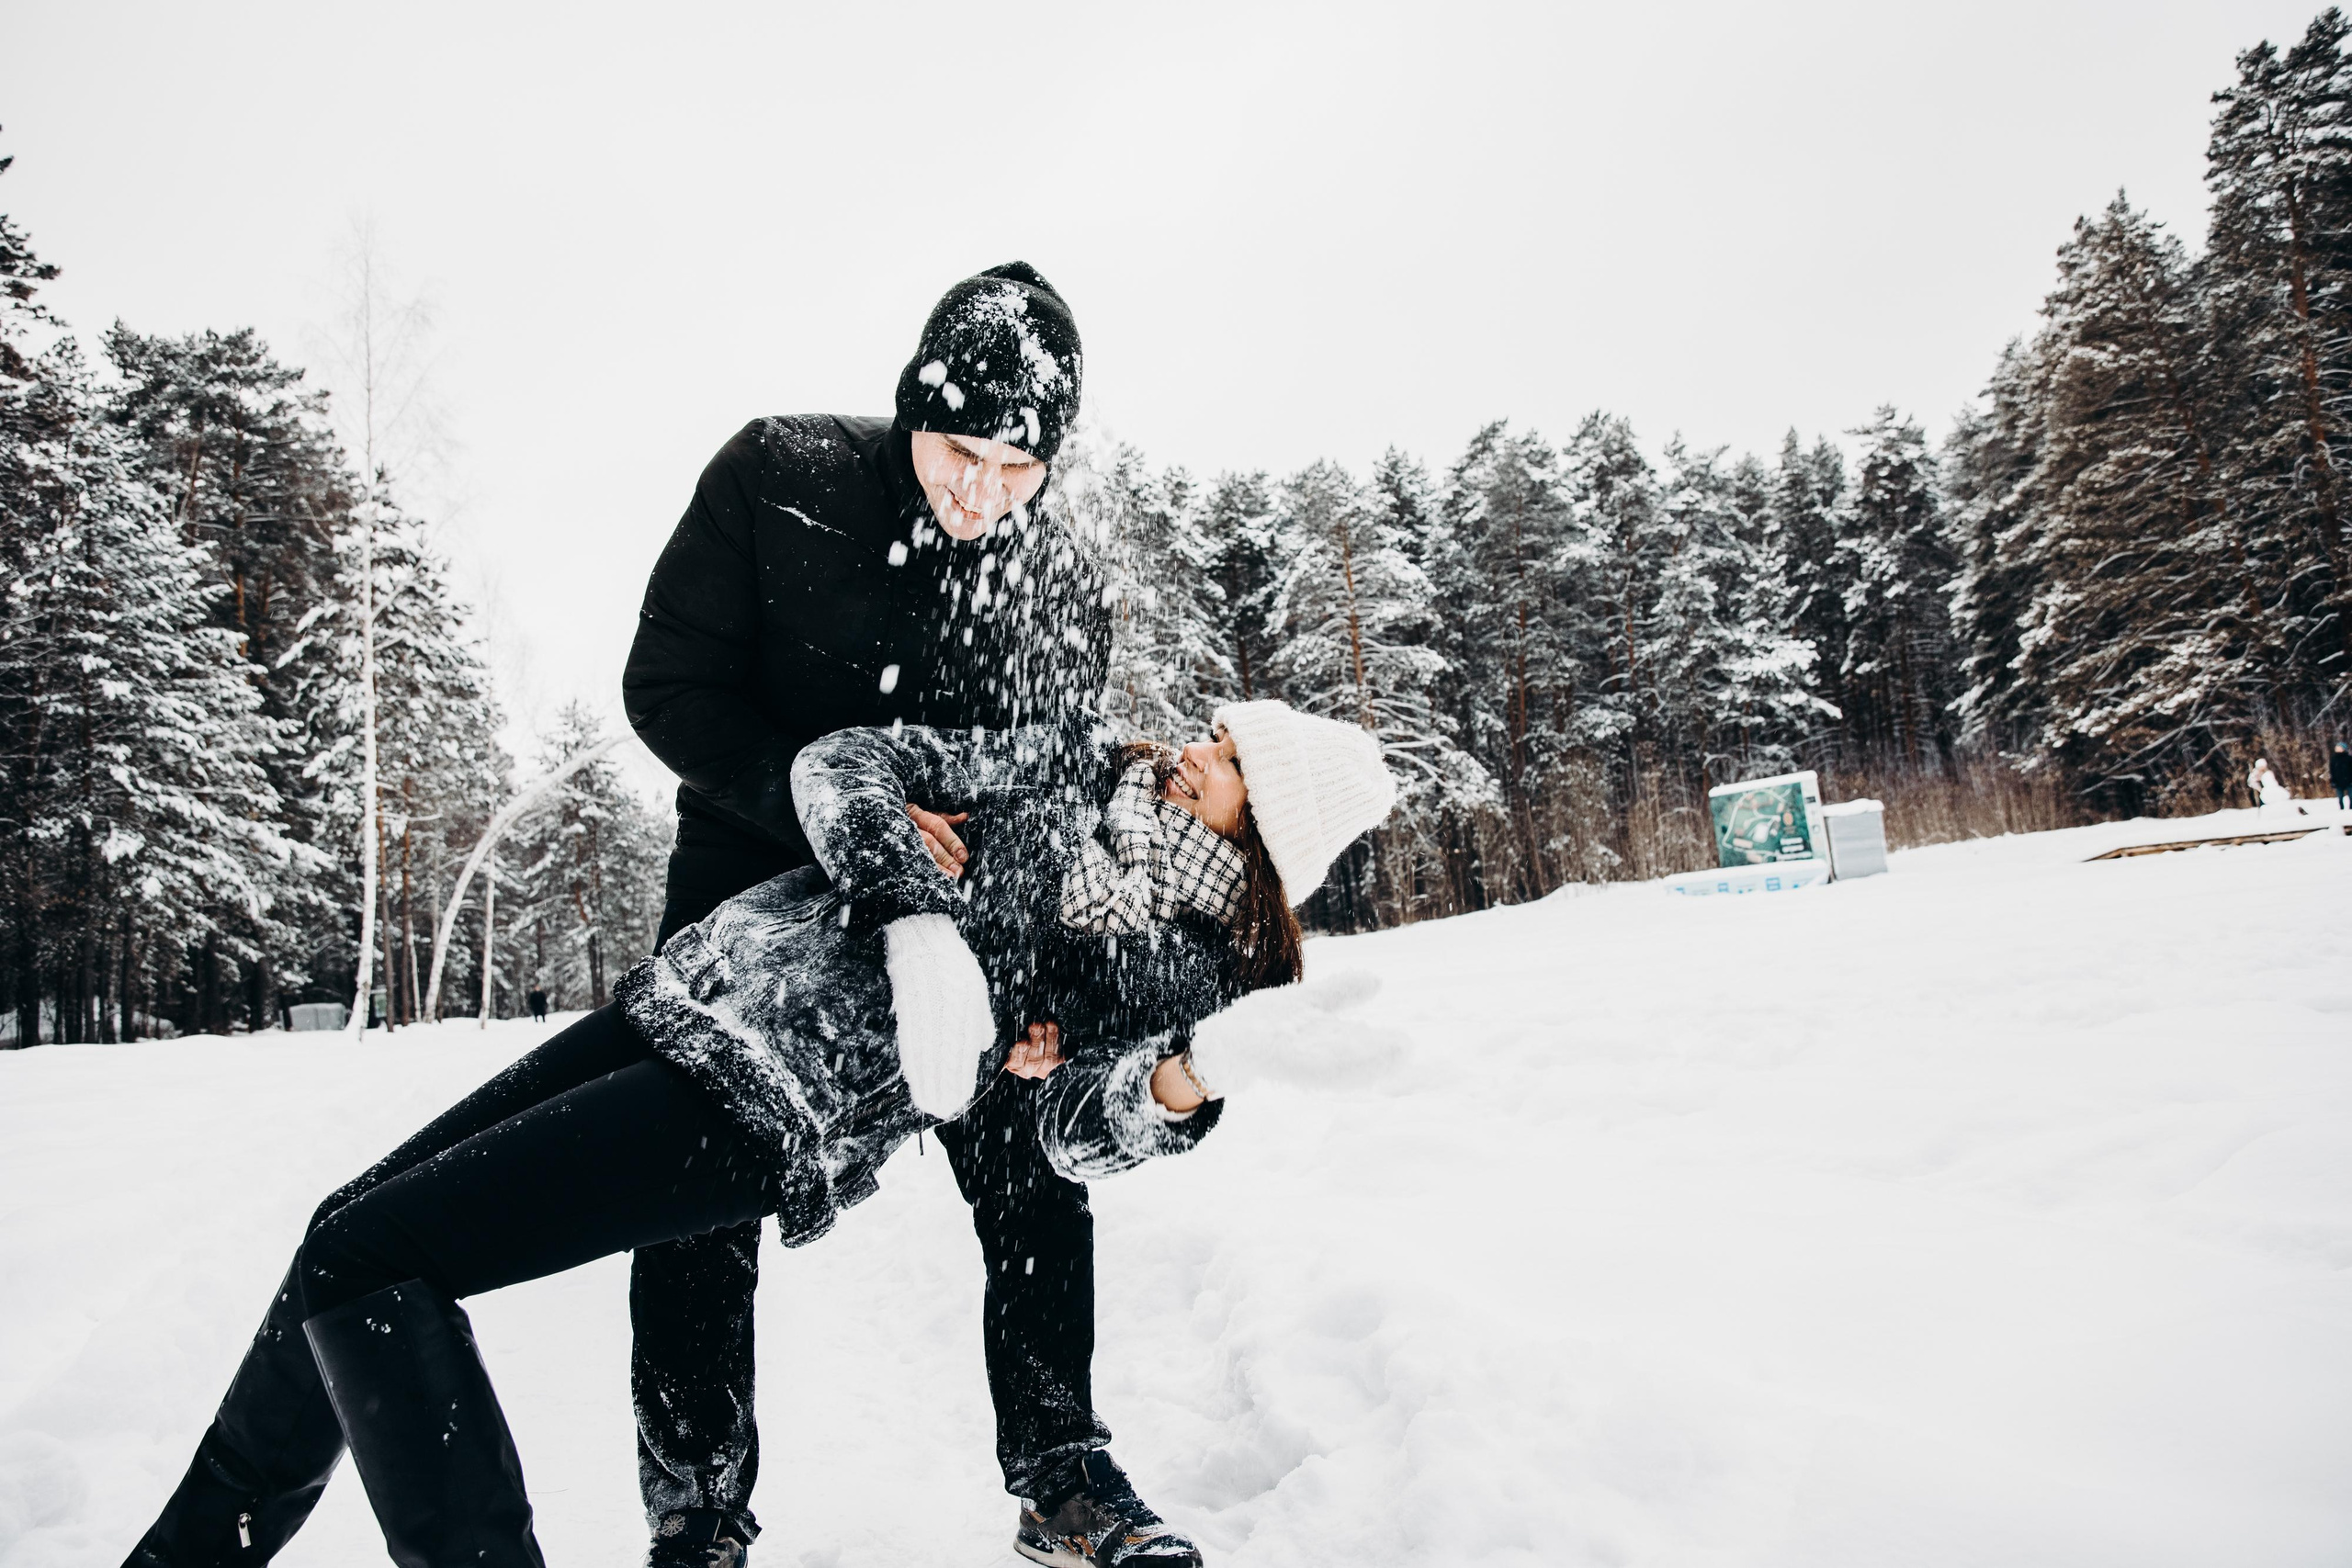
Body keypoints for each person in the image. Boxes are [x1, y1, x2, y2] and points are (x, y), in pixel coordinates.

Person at [120, 700, 1396, 1568]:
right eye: (1213, 729)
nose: (1191, 749)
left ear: (1266, 829)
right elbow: (841, 759)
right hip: (686, 996)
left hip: (769, 1105)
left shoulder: (1180, 968)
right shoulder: (1072, 762)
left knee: (371, 1254)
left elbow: (1065, 1130)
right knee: (339, 1229)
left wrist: (1180, 1081)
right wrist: (901, 888)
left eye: (1226, 758)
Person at [618, 261, 1159, 1568]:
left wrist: (1041, 992)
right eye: (959, 449)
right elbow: (668, 686)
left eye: (1016, 468)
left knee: (1025, 1157)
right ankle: (698, 1506)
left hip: (964, 903)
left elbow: (1050, 794)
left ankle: (1062, 1470)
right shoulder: (774, 475)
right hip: (749, 879)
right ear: (913, 408)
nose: (980, 492)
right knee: (694, 1187)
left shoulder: (1060, 585)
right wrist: (828, 808)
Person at [2330, 739, 2351, 812]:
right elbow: (2332, 771)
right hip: (2338, 782)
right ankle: (2341, 811)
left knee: (2351, 796)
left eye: (2340, 748)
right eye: (2337, 748)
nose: (2338, 749)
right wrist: (2333, 781)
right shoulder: (2334, 759)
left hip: (2349, 781)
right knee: (2340, 797)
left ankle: (2351, 810)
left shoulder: (2349, 758)